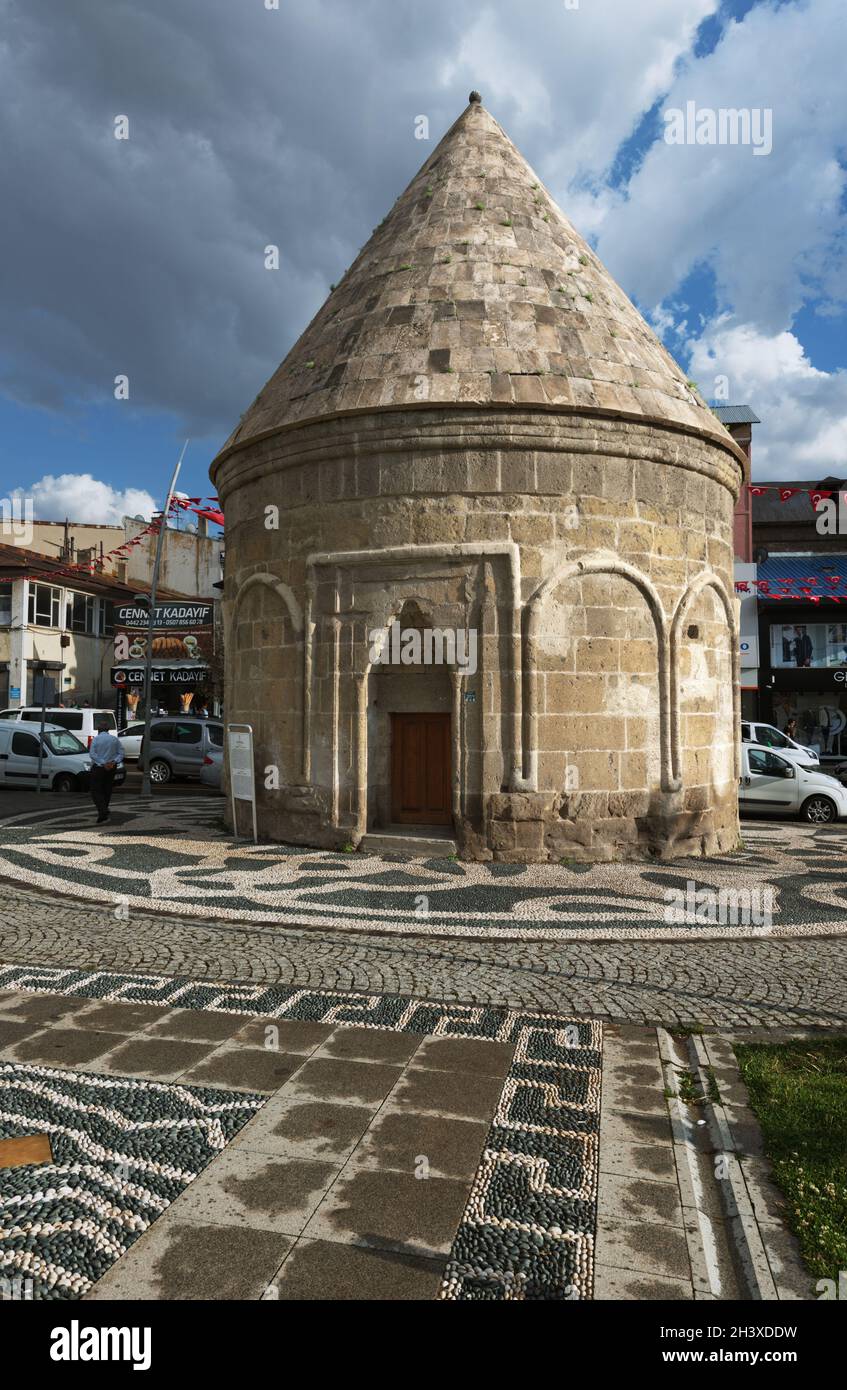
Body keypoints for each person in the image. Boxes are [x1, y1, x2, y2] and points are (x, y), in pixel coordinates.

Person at [88, 715, 124, 824]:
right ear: (108, 730)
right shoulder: (114, 740)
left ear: (99, 730)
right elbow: (121, 753)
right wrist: (113, 762)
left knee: (96, 791)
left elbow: (92, 754)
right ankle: (103, 811)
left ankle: (103, 811)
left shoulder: (96, 739)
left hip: (99, 768)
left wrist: (103, 763)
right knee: (107, 790)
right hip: (111, 768)